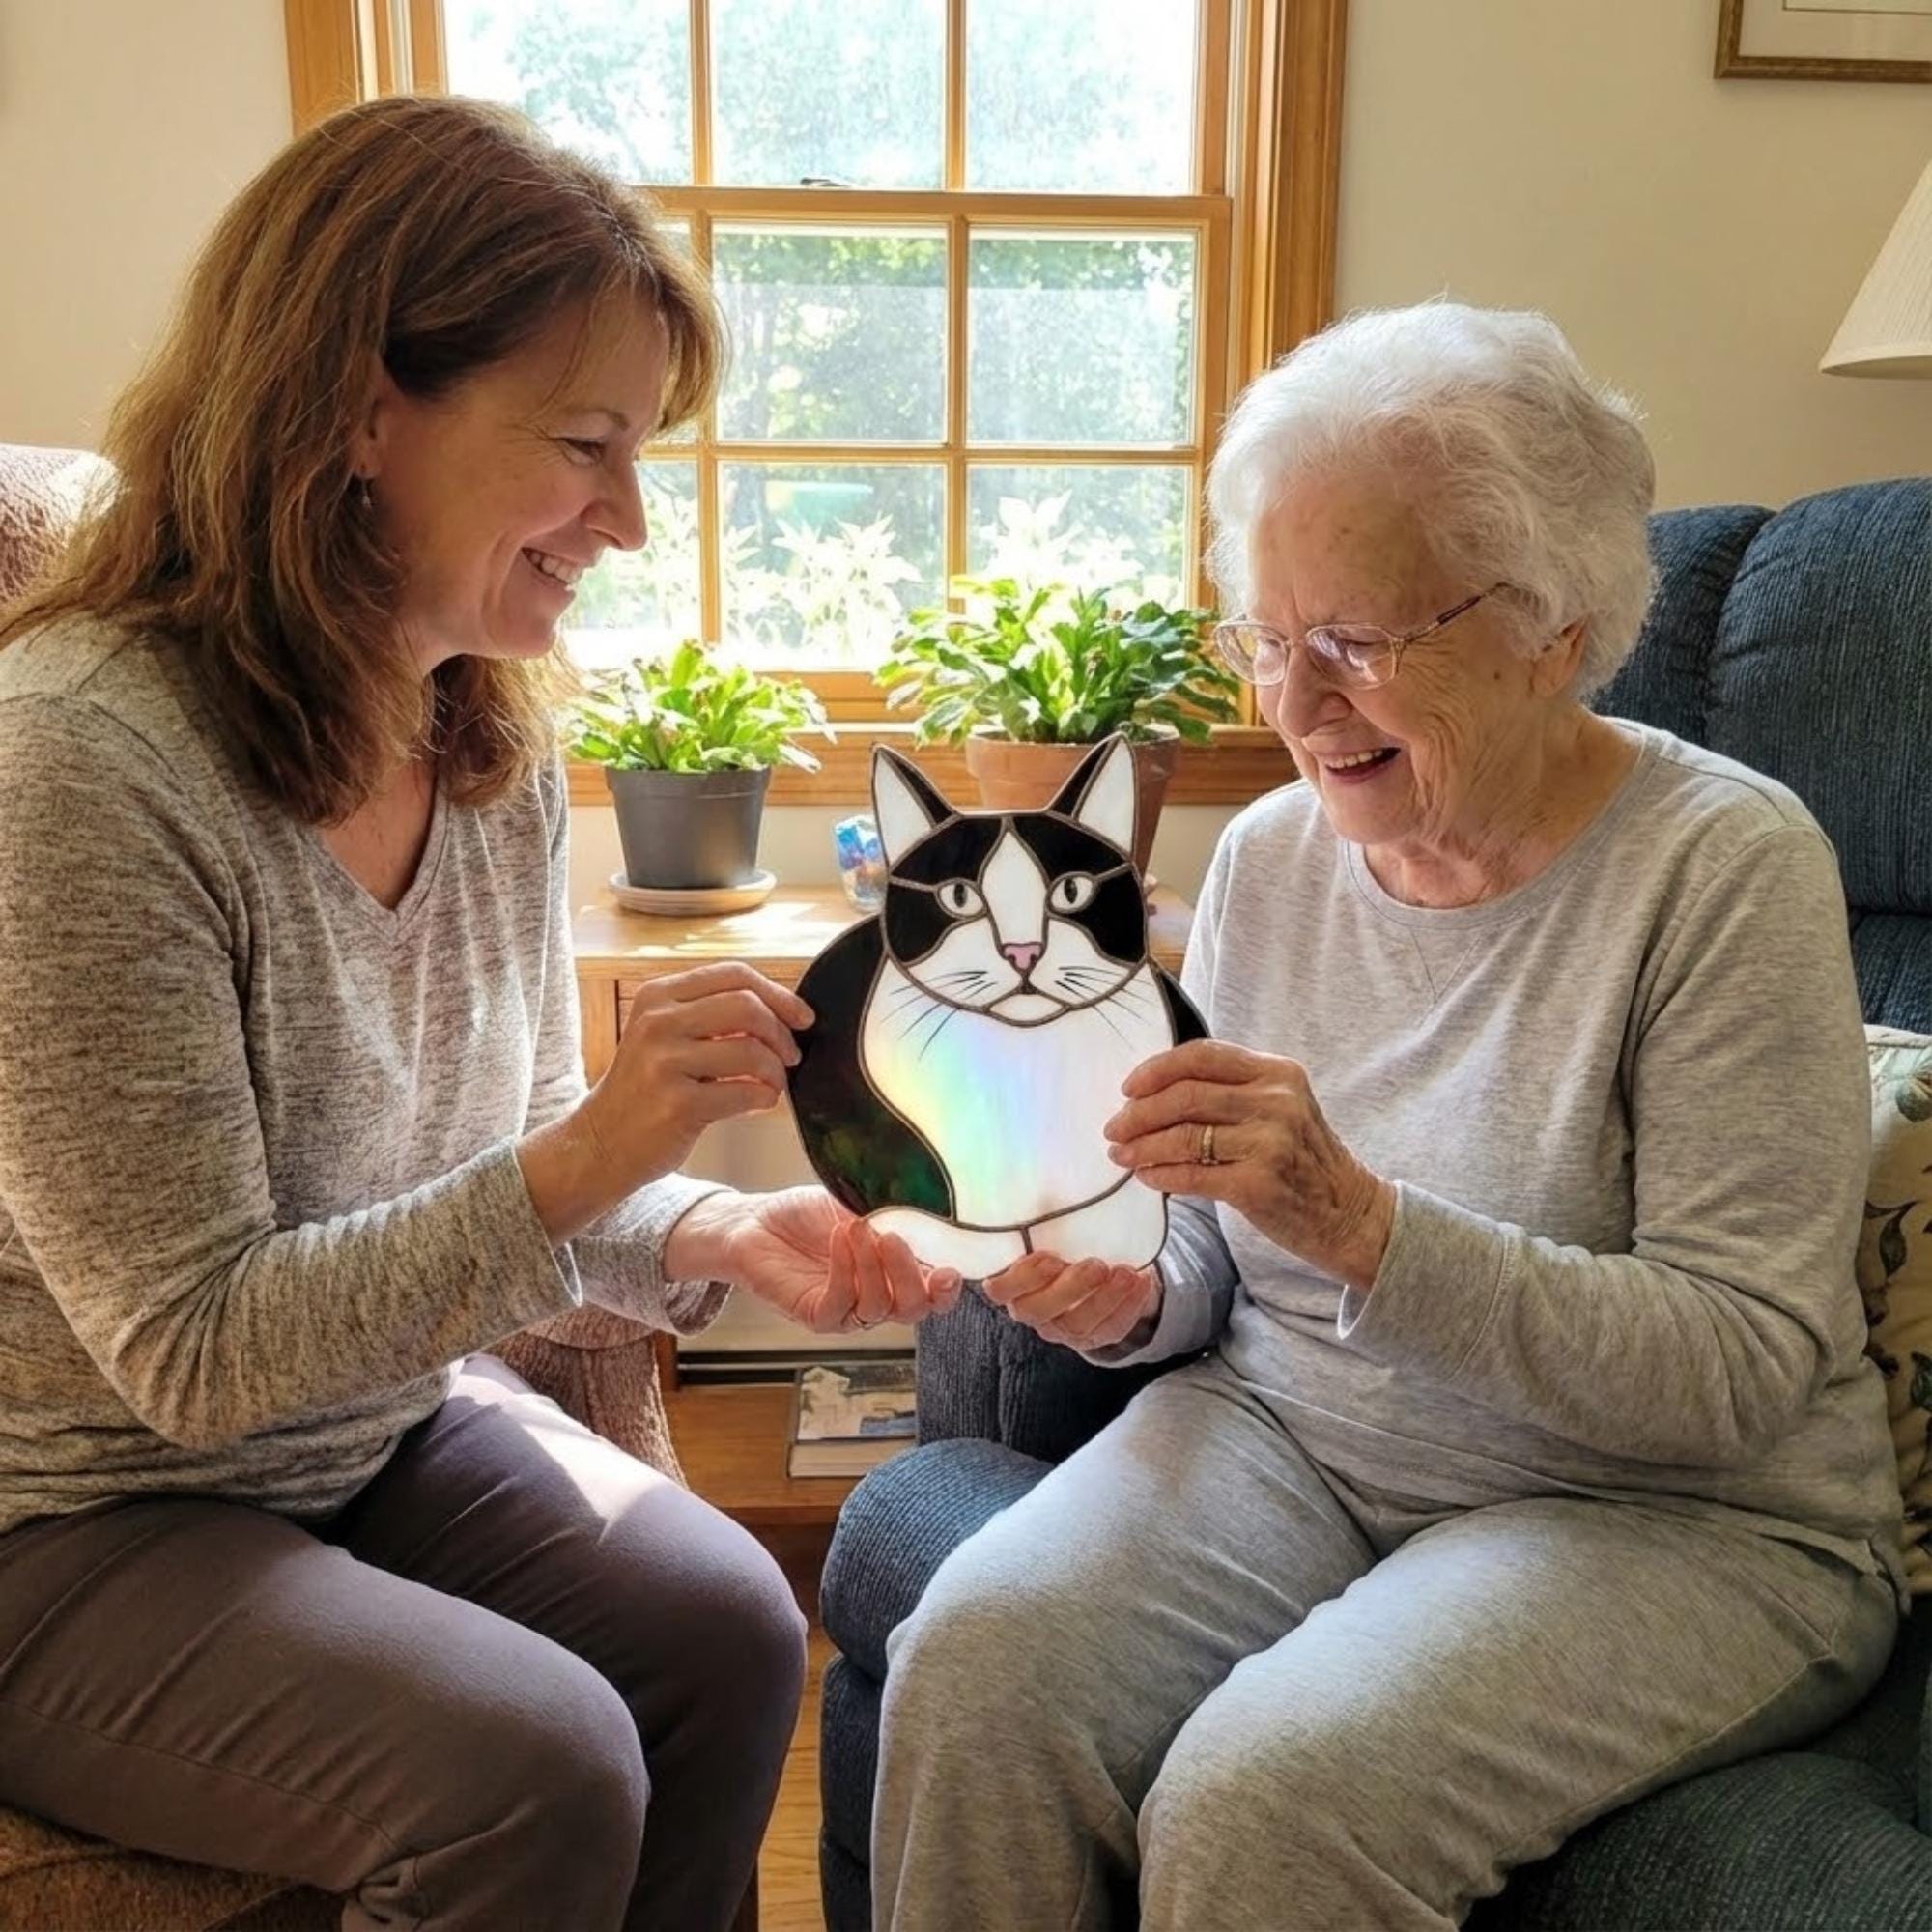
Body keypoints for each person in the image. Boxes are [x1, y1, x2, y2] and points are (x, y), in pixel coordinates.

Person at [0, 96, 958, 1932]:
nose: (624, 515)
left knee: (733, 1630)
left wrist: (722, 1226)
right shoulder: (86, 760)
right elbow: (193, 1358)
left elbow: (508, 1172)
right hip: (73, 1519)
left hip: (359, 1439)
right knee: (535, 1765)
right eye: (587, 444)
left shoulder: (483, 732)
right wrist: (601, 1145)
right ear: (360, 411)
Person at [871, 302, 1904, 1931]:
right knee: (980, 1664)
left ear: (1554, 623)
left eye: (1357, 638)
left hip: (1672, 1515)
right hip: (1297, 1433)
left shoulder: (1726, 870)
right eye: (1266, 636)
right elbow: (1214, 1245)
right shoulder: (1277, 857)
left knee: (1267, 1806)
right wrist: (1135, 1289)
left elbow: (1734, 1369)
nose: (1298, 698)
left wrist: (1360, 1221)